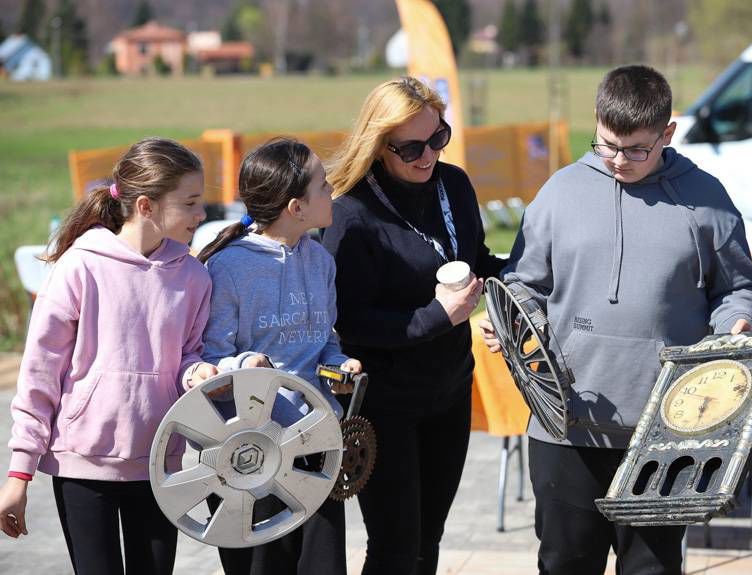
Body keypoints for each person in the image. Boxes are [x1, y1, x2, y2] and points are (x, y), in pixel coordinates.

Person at [479, 65, 752, 574]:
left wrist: (737, 322)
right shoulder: (559, 192)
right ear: (596, 122)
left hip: (666, 434)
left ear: (668, 134)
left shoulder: (706, 199)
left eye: (637, 149)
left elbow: (740, 286)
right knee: (565, 563)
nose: (618, 161)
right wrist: (513, 319)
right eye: (607, 144)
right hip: (566, 431)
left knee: (651, 570)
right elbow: (522, 282)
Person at [0, 137, 217, 575]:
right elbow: (40, 374)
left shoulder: (193, 276)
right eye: (191, 202)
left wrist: (197, 372)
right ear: (146, 205)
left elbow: (188, 355)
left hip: (159, 465)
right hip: (82, 467)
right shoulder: (79, 267)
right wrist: (18, 476)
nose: (202, 215)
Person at [321, 76, 506, 574]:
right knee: (396, 547)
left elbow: (478, 259)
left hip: (449, 389)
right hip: (385, 404)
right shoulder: (350, 214)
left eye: (437, 138)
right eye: (410, 148)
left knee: (429, 538)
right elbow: (346, 322)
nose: (427, 156)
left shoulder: (455, 185)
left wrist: (513, 291)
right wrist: (435, 317)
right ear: (379, 145)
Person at [198, 137, 361, 575]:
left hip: (316, 443)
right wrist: (245, 366)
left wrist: (338, 361)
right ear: (296, 207)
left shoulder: (320, 261)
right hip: (250, 451)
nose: (333, 193)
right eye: (324, 186)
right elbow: (209, 359)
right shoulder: (229, 268)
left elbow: (323, 340)